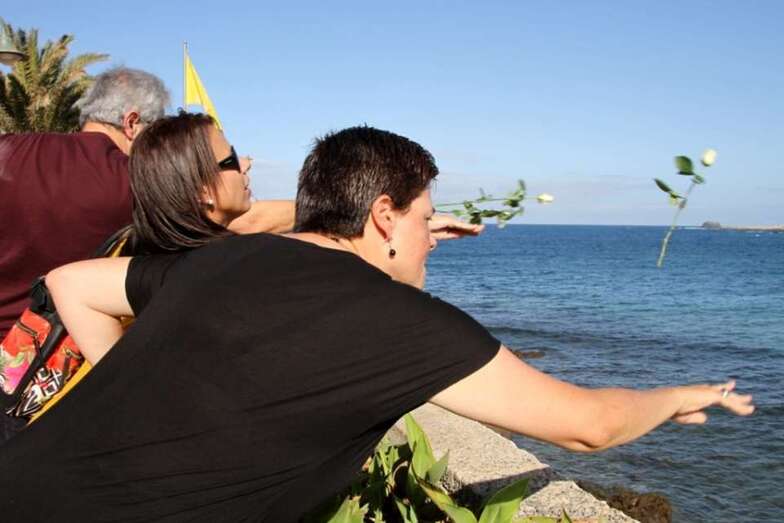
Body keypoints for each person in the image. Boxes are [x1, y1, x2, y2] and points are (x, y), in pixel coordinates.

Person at [0, 126, 752, 522]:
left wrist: (132, 386)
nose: (433, 238)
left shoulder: (219, 259)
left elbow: (71, 283)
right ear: (384, 216)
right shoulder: (401, 323)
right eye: (426, 218)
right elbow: (587, 425)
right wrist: (677, 395)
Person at [0, 69, 294, 441]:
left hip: (15, 368)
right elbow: (231, 218)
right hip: (64, 389)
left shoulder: (11, 150)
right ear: (132, 123)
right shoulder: (129, 180)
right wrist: (335, 207)